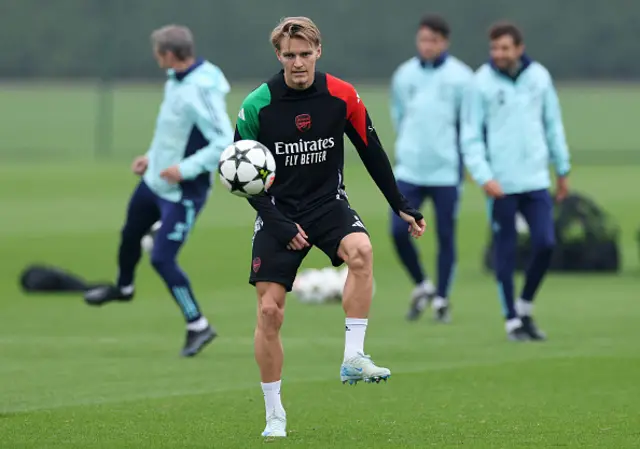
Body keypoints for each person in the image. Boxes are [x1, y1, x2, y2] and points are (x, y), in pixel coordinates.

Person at [233, 16, 426, 438]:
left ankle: (353, 357)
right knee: (269, 312)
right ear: (278, 56)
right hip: (277, 211)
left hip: (327, 204)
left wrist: (400, 205)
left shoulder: (342, 95)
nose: (298, 63)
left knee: (362, 251)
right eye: (290, 56)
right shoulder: (256, 106)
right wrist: (280, 224)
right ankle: (274, 414)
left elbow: (371, 150)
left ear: (318, 51)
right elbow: (241, 178)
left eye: (305, 54)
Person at [83, 25, 234, 357]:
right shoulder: (175, 80)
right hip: (154, 181)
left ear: (168, 55)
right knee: (129, 234)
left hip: (183, 192)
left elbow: (223, 141)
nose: (156, 59)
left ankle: (198, 325)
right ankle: (123, 288)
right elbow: (171, 132)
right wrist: (151, 158)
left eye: (157, 54)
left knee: (162, 257)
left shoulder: (201, 89)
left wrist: (184, 169)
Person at [461, 21, 571, 341]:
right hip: (501, 183)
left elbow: (553, 125)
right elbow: (471, 136)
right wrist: (484, 176)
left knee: (545, 243)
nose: (499, 54)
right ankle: (511, 320)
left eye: (505, 48)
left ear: (519, 49)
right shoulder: (480, 83)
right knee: (506, 250)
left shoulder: (539, 78)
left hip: (536, 179)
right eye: (494, 48)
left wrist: (562, 169)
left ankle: (524, 306)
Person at [389, 14, 472, 323]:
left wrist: (465, 162)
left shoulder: (462, 77)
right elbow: (399, 116)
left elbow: (469, 124)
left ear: (444, 42)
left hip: (446, 170)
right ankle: (423, 284)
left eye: (433, 40)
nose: (427, 46)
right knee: (398, 231)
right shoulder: (404, 75)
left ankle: (442, 298)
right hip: (409, 169)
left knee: (446, 235)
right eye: (423, 39)